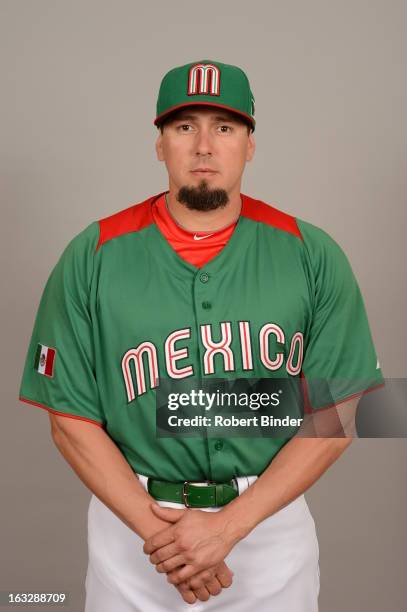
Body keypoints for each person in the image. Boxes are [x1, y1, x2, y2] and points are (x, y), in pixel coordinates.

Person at [18, 59, 385, 611]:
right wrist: (161, 537)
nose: (204, 146)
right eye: (185, 126)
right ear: (160, 143)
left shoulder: (312, 254)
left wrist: (229, 526)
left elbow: (334, 414)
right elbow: (69, 420)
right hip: (134, 534)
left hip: (268, 529)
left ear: (250, 144)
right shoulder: (92, 255)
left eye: (225, 127)